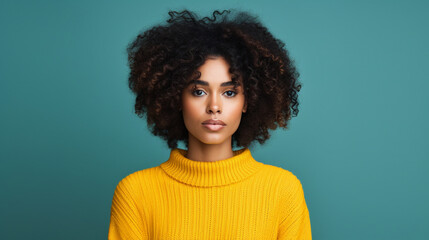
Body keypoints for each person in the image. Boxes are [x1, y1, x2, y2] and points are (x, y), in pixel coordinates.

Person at [108, 9, 311, 239]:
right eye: (199, 91)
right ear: (176, 98)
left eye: (230, 92)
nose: (214, 106)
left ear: (248, 101)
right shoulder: (135, 193)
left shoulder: (283, 190)